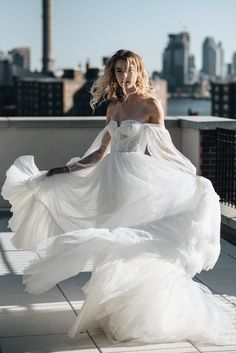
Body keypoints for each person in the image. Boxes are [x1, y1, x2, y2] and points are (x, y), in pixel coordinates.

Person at [1, 49, 236, 344]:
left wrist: (191, 176)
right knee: (111, 249)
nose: (124, 76)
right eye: (119, 71)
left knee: (132, 243)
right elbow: (101, 152)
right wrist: (69, 168)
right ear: (113, 74)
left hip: (138, 183)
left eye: (129, 70)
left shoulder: (151, 104)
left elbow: (164, 149)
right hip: (111, 182)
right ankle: (116, 311)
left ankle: (144, 314)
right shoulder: (112, 107)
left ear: (139, 71)